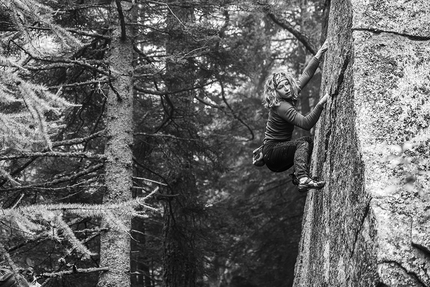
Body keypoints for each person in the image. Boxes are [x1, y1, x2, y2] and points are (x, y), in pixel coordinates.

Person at [262, 41, 329, 192]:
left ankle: (299, 176)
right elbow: (306, 123)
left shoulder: (290, 94)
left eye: (286, 84)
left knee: (308, 141)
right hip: (272, 153)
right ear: (275, 92)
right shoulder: (281, 106)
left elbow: (306, 74)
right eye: (281, 87)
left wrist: (320, 53)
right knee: (303, 144)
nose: (286, 89)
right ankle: (303, 179)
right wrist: (321, 104)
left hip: (277, 153)